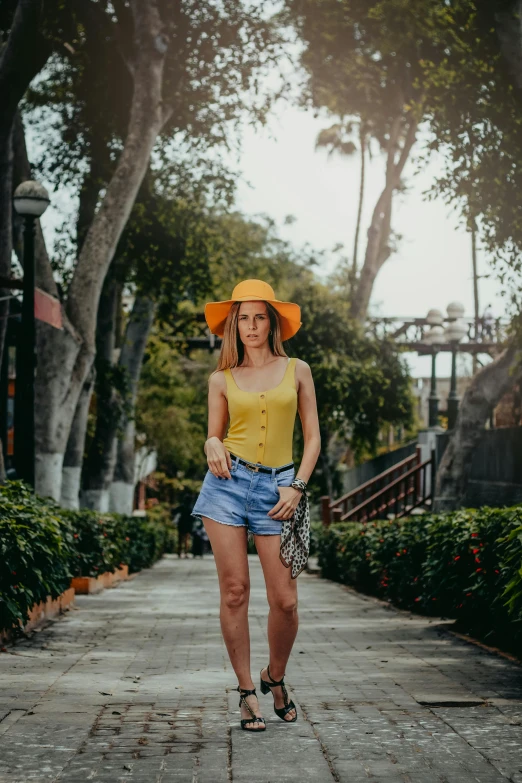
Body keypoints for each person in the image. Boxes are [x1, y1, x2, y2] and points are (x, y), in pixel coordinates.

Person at [191, 279, 321, 732]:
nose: (250, 325)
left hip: (280, 490)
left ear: (272, 322)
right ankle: (247, 691)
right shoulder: (221, 379)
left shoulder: (297, 369)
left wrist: (297, 486)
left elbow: (313, 436)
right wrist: (211, 442)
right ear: (233, 325)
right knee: (234, 592)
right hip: (226, 486)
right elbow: (214, 431)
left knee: (285, 601)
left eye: (258, 316)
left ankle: (275, 677)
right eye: (242, 318)